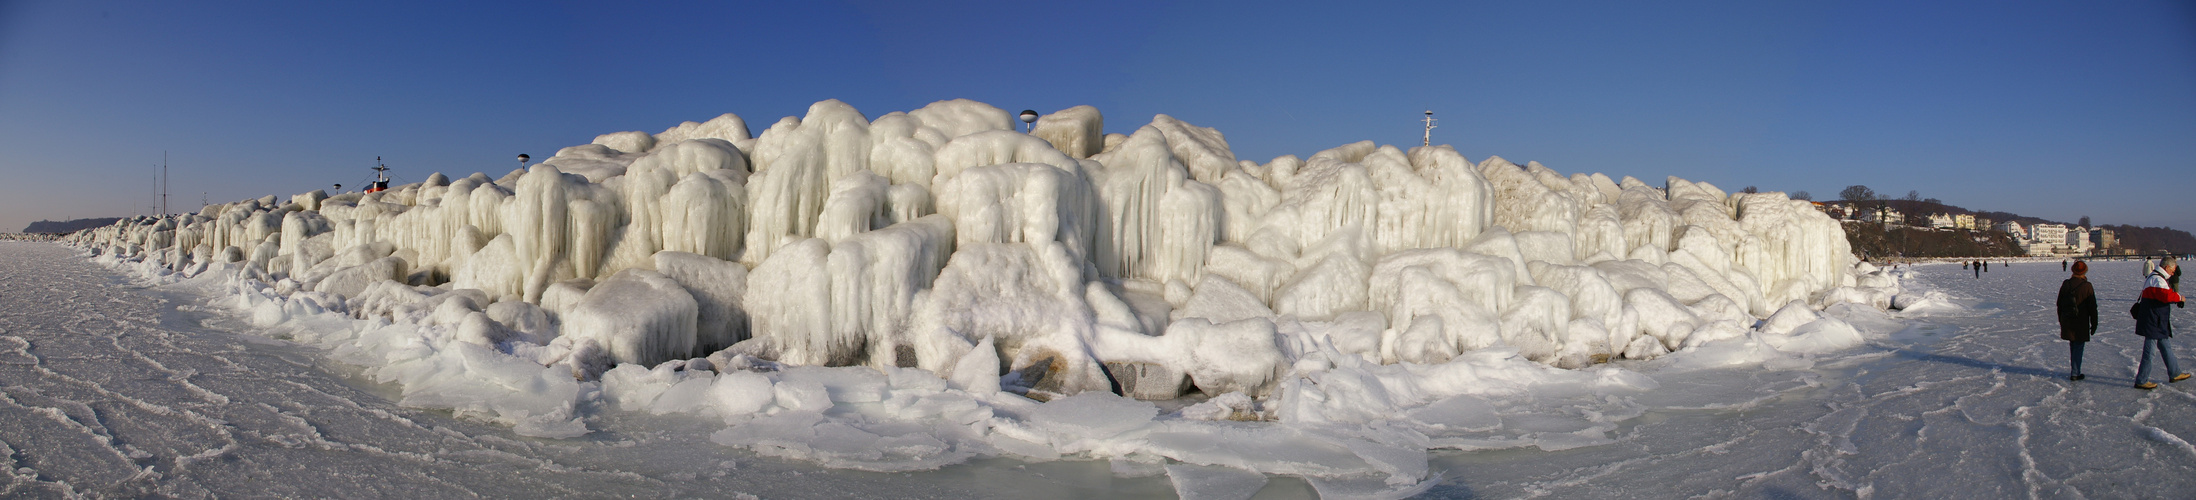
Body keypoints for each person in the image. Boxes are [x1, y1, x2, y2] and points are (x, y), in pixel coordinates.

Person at [2132, 258, 2187, 389]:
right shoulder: (2157, 279)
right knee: (2149, 351)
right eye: (2173, 271)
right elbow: (2165, 296)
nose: (2173, 274)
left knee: (2165, 346)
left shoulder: (2156, 277)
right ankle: (2141, 380)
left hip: (2157, 320)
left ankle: (2175, 372)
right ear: (2167, 267)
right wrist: (2179, 298)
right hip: (2153, 320)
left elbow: (2163, 295)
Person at [2057, 261, 2098, 380]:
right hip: (2081, 321)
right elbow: (2092, 307)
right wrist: (2094, 323)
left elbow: (2059, 304)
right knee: (2078, 346)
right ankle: (2075, 372)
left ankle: (2075, 370)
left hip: (2068, 320)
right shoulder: (2087, 286)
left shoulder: (2066, 284)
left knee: (2073, 345)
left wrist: (2061, 319)